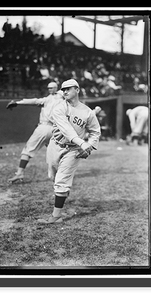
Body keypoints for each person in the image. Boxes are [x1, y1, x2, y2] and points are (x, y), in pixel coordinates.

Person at [37, 79, 101, 224]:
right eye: (63, 89)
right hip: (55, 144)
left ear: (77, 90)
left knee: (61, 182)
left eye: (68, 89)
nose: (64, 91)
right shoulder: (59, 107)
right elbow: (66, 129)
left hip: (73, 151)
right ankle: (62, 192)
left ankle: (56, 216)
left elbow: (95, 132)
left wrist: (89, 146)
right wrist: (83, 143)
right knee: (52, 175)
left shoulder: (87, 112)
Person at [6, 82, 64, 183]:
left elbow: (33, 101)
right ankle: (57, 175)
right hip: (55, 129)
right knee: (54, 153)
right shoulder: (63, 100)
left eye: (50, 88)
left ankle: (20, 173)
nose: (49, 90)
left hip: (44, 127)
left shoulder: (47, 99)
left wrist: (17, 103)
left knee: (27, 150)